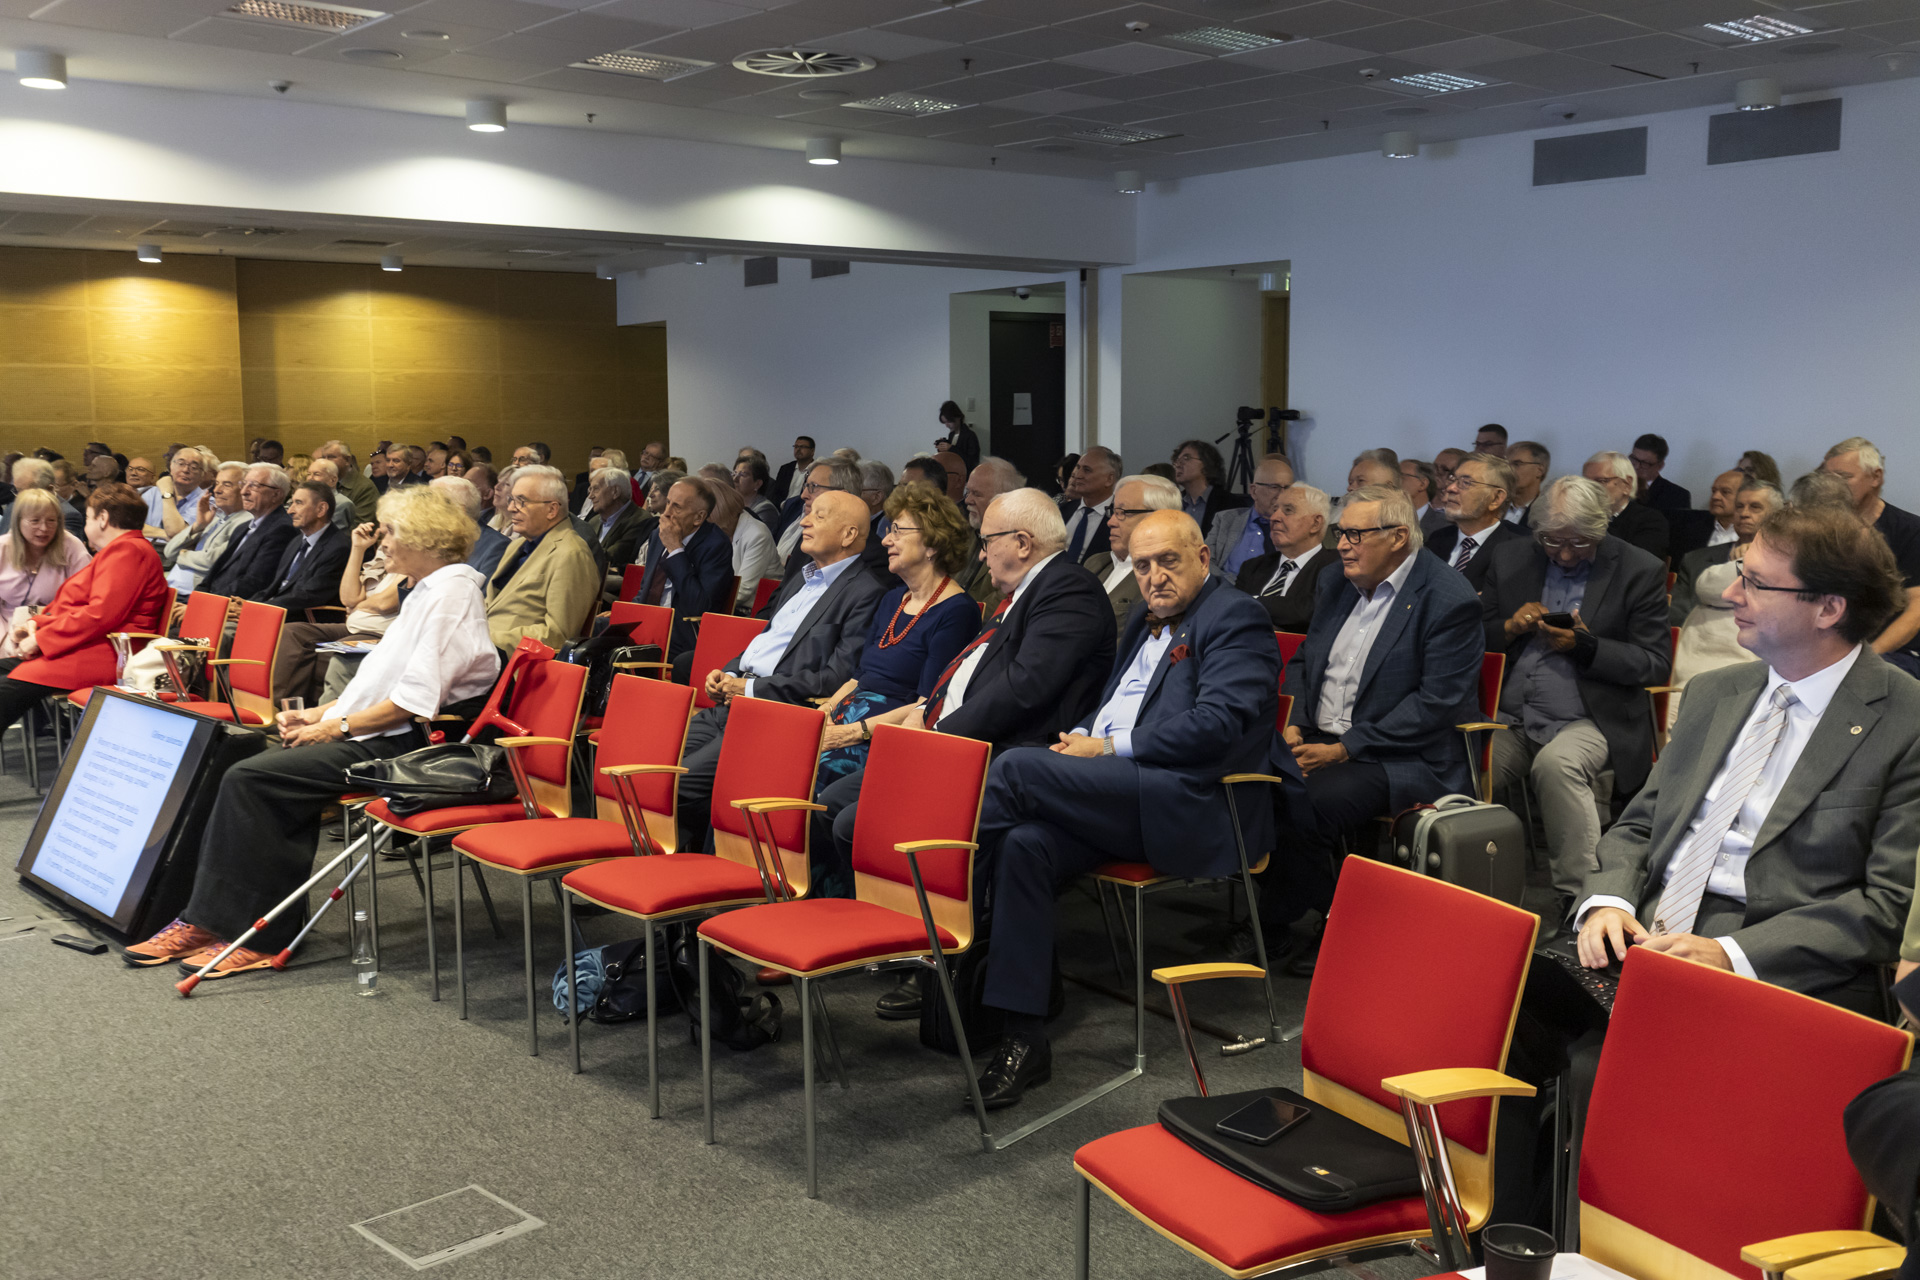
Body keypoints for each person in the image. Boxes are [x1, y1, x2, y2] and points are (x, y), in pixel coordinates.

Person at [967, 510, 1280, 1108]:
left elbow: (1218, 724)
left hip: (1190, 799)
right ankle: (1022, 1035)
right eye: (1142, 565)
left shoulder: (1236, 616)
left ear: (1203, 559)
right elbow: (1113, 705)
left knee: (1013, 768)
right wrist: (1084, 738)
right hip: (1116, 790)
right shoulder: (1142, 617)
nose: (1154, 577)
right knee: (1025, 845)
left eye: (1168, 561)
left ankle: (939, 925)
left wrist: (1107, 748)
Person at [123, 486, 502, 977]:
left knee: (254, 780)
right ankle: (204, 917)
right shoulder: (427, 590)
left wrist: (334, 728)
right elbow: (378, 684)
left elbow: (413, 702)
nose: (383, 542)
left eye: (391, 532)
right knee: (230, 761)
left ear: (424, 538)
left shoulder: (451, 596)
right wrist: (320, 715)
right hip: (380, 731)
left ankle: (259, 936)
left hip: (412, 747)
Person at [1575, 503, 1917, 1015]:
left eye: (1756, 583)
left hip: (1779, 959)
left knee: (1597, 1055)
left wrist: (1732, 954)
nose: (1732, 593)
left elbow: (1889, 903)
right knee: (1511, 1016)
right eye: (1741, 573)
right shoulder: (1713, 691)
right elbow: (1641, 823)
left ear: (1828, 609)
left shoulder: (1905, 721)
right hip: (1642, 926)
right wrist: (1609, 901)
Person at [1241, 483, 1483, 970]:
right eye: (1341, 533)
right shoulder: (1335, 581)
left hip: (1403, 754)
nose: (1344, 545)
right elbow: (1305, 660)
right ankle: (1333, 912)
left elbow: (1435, 704)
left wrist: (1345, 748)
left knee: (1303, 802)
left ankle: (1297, 924)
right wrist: (1296, 721)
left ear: (1398, 537)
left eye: (1356, 535)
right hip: (1321, 737)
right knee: (1242, 784)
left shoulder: (1447, 598)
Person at [1482, 475, 1672, 908]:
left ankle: (1582, 902)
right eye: (1553, 541)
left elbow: (1654, 662)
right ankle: (1470, 891)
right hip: (1509, 716)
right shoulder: (1511, 557)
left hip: (1591, 717)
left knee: (1557, 765)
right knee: (1458, 762)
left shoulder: (1638, 569)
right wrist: (1509, 627)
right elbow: (1473, 636)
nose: (1565, 554)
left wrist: (1586, 646)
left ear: (1601, 531)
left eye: (1580, 543)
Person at [675, 491, 887, 853]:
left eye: (819, 516)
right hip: (731, 704)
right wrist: (727, 673)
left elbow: (835, 677)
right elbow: (766, 641)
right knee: (652, 765)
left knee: (675, 783)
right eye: (808, 514)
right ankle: (688, 855)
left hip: (771, 715)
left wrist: (751, 689)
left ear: (849, 534)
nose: (804, 521)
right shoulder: (803, 578)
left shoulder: (866, 592)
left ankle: (697, 867)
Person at [809, 484, 979, 818]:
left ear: (932, 543)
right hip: (846, 718)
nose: (886, 540)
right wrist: (824, 712)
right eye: (888, 531)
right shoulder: (892, 599)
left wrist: (851, 733)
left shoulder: (958, 612)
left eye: (897, 531)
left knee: (814, 773)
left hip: (886, 735)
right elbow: (859, 677)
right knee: (775, 755)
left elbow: (927, 704)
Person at [0, 484, 169, 734]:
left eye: (88, 517)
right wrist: (37, 624)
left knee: (5, 694)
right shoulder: (119, 550)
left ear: (103, 518)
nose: (86, 524)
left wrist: (41, 639)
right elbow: (78, 606)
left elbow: (99, 615)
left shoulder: (128, 550)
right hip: (87, 645)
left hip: (106, 652)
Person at [1665, 479, 1782, 727]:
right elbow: (1675, 615)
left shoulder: (1785, 565)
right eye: (1740, 507)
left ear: (1776, 516)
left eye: (1755, 507)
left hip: (1749, 669)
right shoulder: (1697, 560)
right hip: (1692, 662)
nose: (1744, 513)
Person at [272, 512, 403, 706]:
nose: (383, 542)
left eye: (389, 532)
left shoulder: (410, 561)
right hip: (353, 627)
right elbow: (347, 598)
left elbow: (384, 603)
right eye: (382, 533)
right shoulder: (382, 556)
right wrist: (358, 549)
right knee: (292, 632)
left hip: (379, 634)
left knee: (334, 651)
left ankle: (320, 717)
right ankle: (282, 709)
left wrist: (358, 606)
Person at [1821, 437, 1920, 676]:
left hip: (1892, 652)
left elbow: (1916, 610)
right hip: (1830, 647)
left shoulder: (1911, 531)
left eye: (1844, 478)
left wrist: (1868, 658)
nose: (1833, 488)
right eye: (1828, 479)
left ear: (1876, 477)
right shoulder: (1819, 529)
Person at [484, 465, 599, 655]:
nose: (511, 508)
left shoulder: (571, 554)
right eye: (511, 499)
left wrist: (487, 639)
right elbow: (493, 605)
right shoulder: (517, 546)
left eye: (521, 501)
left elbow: (558, 635)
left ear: (552, 509)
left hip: (514, 661)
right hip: (482, 651)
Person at [630, 478, 736, 658]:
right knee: (597, 634)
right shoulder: (657, 535)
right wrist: (628, 614)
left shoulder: (716, 545)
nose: (666, 513)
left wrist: (675, 550)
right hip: (647, 625)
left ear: (698, 517)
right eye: (668, 503)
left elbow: (700, 607)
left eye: (677, 507)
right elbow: (647, 589)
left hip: (680, 636)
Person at [0, 490, 91, 658]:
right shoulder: (2, 548)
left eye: (51, 521)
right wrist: (6, 641)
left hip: (54, 632)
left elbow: (85, 601)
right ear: (18, 521)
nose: (44, 528)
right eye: (35, 521)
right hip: (6, 631)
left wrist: (42, 637)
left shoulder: (72, 547)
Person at [1234, 483, 1338, 632]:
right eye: (1275, 510)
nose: (1274, 517)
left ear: (1315, 523)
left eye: (1288, 510)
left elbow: (1311, 610)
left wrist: (1252, 601)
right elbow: (1232, 611)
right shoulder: (1252, 567)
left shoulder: (1335, 566)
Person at [1087, 474, 1180, 635]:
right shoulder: (1095, 563)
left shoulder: (1165, 578)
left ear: (1157, 518)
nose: (1110, 522)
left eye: (1122, 512)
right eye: (1113, 511)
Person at [1425, 452, 1526, 593]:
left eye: (1466, 483)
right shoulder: (1438, 539)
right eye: (1453, 479)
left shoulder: (1520, 548)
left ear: (1496, 498)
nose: (1451, 488)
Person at [201, 464, 297, 601]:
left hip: (235, 605)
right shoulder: (242, 527)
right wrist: (197, 597)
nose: (244, 492)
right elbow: (215, 571)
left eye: (254, 486)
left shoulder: (282, 529)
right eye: (244, 484)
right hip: (215, 599)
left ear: (276, 494)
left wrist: (209, 602)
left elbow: (254, 582)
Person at [162, 462, 250, 597]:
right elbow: (169, 551)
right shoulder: (214, 517)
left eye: (227, 485)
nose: (217, 490)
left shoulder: (247, 522)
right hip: (171, 591)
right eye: (217, 483)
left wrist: (183, 553)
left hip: (194, 595)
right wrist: (198, 525)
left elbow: (213, 561)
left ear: (245, 489)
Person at [260, 482, 350, 613]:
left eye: (299, 503)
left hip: (300, 618)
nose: (290, 511)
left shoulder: (339, 548)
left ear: (321, 509)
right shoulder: (296, 541)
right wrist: (247, 604)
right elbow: (275, 587)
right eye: (291, 503)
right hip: (273, 609)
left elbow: (307, 596)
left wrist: (258, 609)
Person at [1206, 454, 1293, 577]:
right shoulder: (1225, 519)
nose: (1282, 495)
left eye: (1287, 488)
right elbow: (1205, 560)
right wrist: (1228, 584)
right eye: (1274, 487)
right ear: (1254, 491)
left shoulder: (1296, 526)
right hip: (1226, 586)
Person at [957, 457, 1027, 608]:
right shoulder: (967, 532)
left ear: (1003, 499)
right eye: (967, 492)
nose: (967, 500)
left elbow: (1004, 599)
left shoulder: (1018, 543)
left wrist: (961, 614)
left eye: (976, 494)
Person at [706, 478, 782, 613]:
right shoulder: (716, 530)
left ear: (715, 509)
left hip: (755, 610)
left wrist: (703, 600)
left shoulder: (756, 535)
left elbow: (743, 590)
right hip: (725, 605)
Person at [1583, 450, 1670, 562]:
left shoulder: (1651, 521)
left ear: (1627, 485)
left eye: (1601, 481)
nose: (1590, 489)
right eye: (1586, 482)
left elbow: (1638, 565)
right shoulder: (1578, 516)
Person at [1170, 439, 1249, 537]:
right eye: (1176, 460)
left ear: (1206, 464)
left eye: (1186, 458)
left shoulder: (1230, 504)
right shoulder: (1173, 503)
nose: (1178, 465)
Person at [1058, 446, 1121, 565]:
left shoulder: (1120, 518)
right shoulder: (1062, 511)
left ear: (1109, 479)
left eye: (1087, 470)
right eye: (1078, 468)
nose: (1078, 475)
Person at [585, 466, 650, 571]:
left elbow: (612, 558)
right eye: (590, 490)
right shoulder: (594, 521)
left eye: (596, 489)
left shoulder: (640, 520)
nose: (590, 496)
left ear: (615, 492)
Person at [1671, 468, 1744, 560]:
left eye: (1725, 492)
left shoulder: (1756, 535)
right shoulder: (1691, 529)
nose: (1715, 497)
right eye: (1714, 491)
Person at [1629, 432, 1691, 515]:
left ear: (1660, 466)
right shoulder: (1618, 485)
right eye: (1634, 459)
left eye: (1644, 463)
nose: (1636, 466)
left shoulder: (1677, 495)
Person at [316, 440, 379, 520]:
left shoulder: (365, 488)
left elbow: (361, 524)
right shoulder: (323, 483)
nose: (325, 462)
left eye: (331, 457)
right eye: (323, 458)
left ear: (347, 460)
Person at [1400, 457, 1447, 536]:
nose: (1393, 482)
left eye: (1401, 477)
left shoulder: (1444, 526)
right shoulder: (1383, 520)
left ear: (1422, 484)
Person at [305, 458, 355, 530]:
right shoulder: (306, 499)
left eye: (316, 474)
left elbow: (328, 533)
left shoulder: (342, 503)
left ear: (333, 480)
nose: (310, 478)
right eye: (308, 474)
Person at [732, 457, 780, 531]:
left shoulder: (765, 509)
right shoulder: (733, 503)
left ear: (757, 484)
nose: (735, 479)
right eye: (734, 473)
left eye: (742, 474)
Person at [939, 400, 980, 473]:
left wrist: (951, 448)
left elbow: (972, 462)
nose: (947, 425)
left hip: (966, 474)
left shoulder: (970, 436)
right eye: (945, 422)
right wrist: (942, 446)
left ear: (958, 417)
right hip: (953, 472)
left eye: (949, 421)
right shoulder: (952, 434)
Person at [773, 436, 815, 503]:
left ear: (812, 451)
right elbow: (776, 493)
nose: (798, 449)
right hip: (782, 506)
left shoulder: (817, 471)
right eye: (796, 446)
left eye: (802, 447)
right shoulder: (785, 469)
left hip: (804, 507)